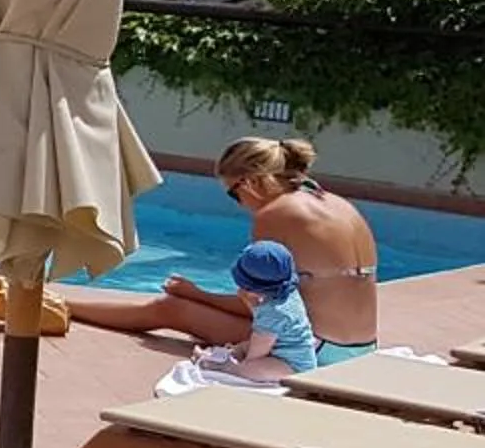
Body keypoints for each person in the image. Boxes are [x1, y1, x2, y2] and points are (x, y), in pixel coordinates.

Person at [56, 136, 381, 362]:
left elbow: (259, 306)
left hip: (315, 351)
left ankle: (63, 303)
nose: (239, 205)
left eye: (233, 194)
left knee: (169, 309)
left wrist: (196, 298)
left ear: (251, 182)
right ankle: (65, 302)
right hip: (359, 347)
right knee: (183, 305)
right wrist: (198, 294)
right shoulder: (337, 204)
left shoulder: (275, 214)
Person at [206, 240, 322, 379]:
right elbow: (262, 321)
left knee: (251, 367)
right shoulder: (287, 293)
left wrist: (244, 364)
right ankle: (226, 355)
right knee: (244, 346)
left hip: (294, 367)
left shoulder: (275, 312)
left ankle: (226, 367)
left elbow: (257, 353)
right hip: (280, 350)